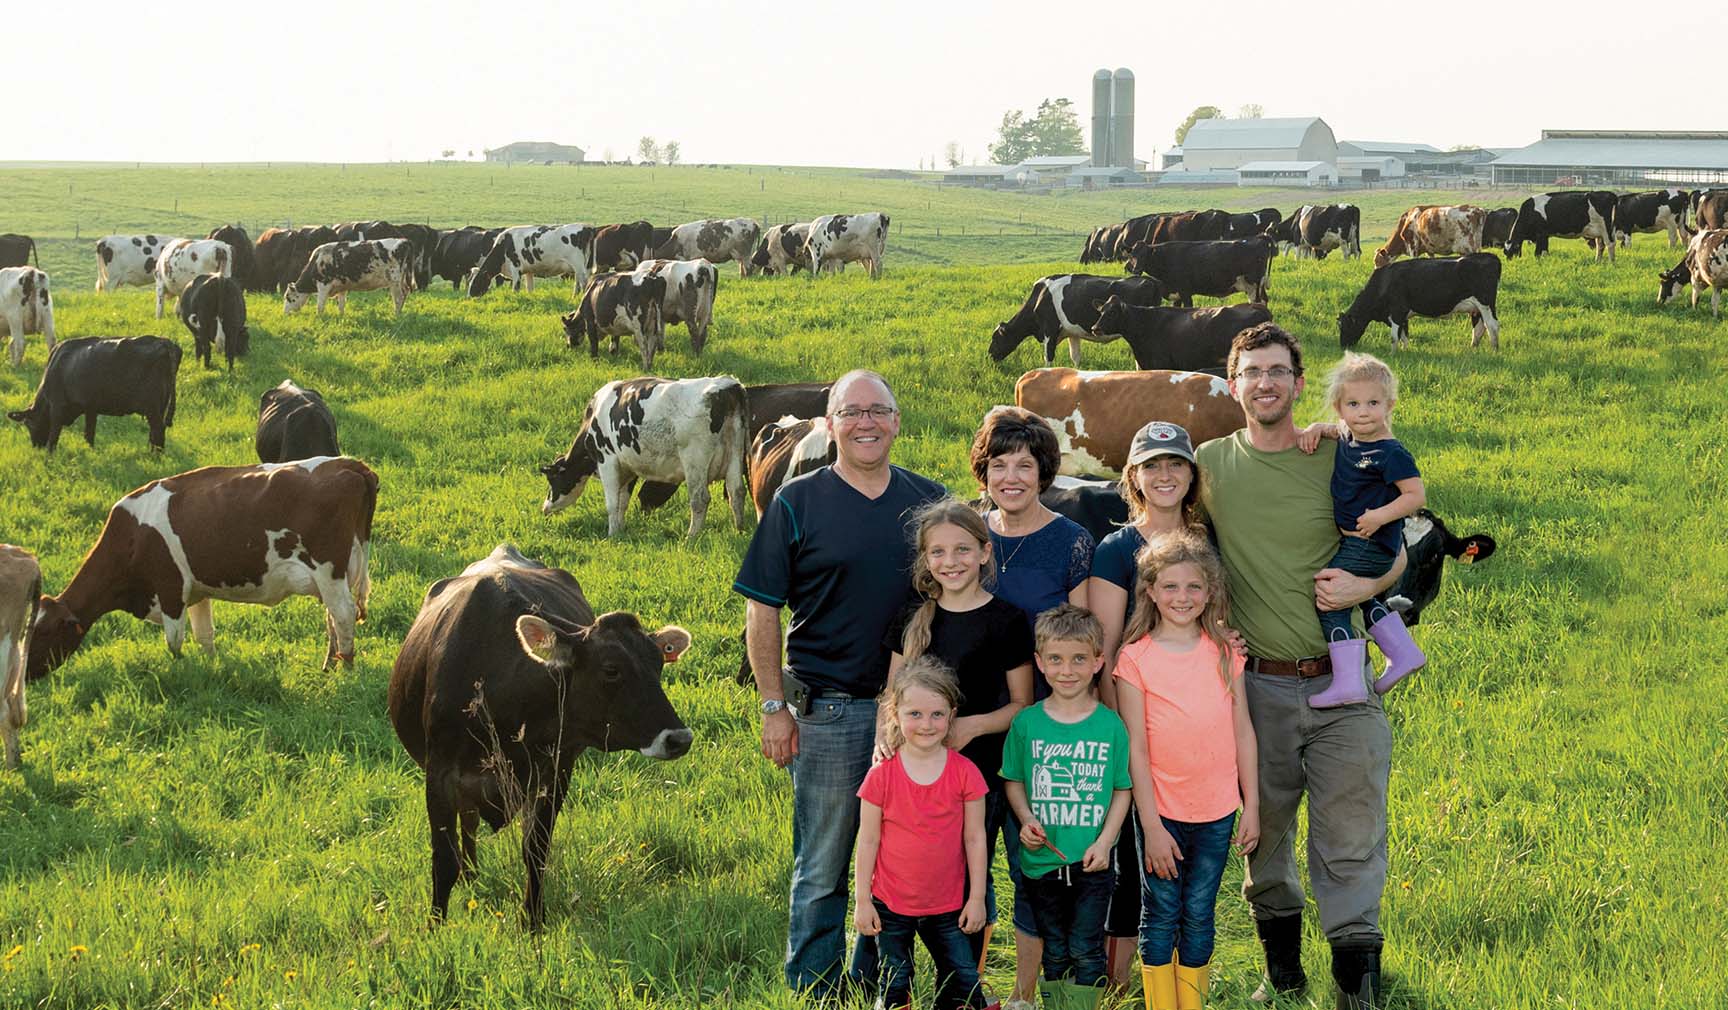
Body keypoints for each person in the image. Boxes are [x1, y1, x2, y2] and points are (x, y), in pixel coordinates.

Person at [1195, 324, 1407, 1009]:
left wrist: (1368, 587)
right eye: (1251, 370)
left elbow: (1402, 543)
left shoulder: (1343, 452)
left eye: (1278, 371)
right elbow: (1160, 535)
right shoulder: (1209, 465)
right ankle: (1283, 978)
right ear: (1233, 384)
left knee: (1351, 839)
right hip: (1257, 687)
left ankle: (1357, 993)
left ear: (1296, 381)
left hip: (1342, 681)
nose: (1264, 382)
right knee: (1267, 840)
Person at [734, 369, 947, 998]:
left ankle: (879, 978)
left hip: (910, 719)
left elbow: (953, 591)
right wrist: (774, 706)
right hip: (823, 709)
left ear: (897, 422)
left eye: (878, 411)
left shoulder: (927, 502)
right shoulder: (796, 503)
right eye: (851, 412)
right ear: (829, 424)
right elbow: (761, 608)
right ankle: (815, 986)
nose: (866, 423)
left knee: (895, 857)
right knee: (824, 862)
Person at [968, 405, 1095, 1008]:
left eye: (1025, 464)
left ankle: (1026, 993)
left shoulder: (1071, 542)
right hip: (964, 727)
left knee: (1032, 866)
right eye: (999, 465)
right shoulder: (965, 533)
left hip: (1043, 733)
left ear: (1045, 472)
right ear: (983, 472)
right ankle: (964, 988)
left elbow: (1085, 636)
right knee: (964, 863)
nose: (1011, 476)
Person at [880, 499, 1037, 981]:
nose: (951, 562)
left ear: (986, 553)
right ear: (926, 560)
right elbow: (891, 693)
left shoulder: (1007, 619)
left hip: (978, 773)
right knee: (911, 870)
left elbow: (1022, 706)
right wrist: (882, 746)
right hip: (915, 771)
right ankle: (895, 976)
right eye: (939, 552)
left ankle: (963, 982)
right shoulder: (912, 615)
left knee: (971, 873)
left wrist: (971, 726)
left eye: (963, 550)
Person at [1112, 531, 1259, 1010]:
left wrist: (1251, 807)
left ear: (1210, 591)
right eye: (1170, 587)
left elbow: (1243, 732)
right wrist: (1150, 825)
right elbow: (1135, 747)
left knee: (1199, 912)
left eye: (1194, 587)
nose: (1182, 597)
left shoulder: (1224, 652)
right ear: (1150, 591)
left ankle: (1190, 1004)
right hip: (1162, 811)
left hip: (1217, 810)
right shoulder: (1135, 659)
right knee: (1161, 913)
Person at [1084, 420, 1204, 989]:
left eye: (1175, 464)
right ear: (1133, 476)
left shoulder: (1208, 542)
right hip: (1136, 723)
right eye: (1151, 465)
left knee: (1193, 857)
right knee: (1134, 857)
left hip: (1196, 730)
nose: (1164, 475)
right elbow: (1106, 652)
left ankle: (1184, 974)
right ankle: (1121, 980)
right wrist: (1124, 737)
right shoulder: (1116, 548)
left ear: (1191, 474)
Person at [1000, 604, 1133, 1010]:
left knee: (1087, 948)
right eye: (1055, 659)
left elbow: (1122, 790)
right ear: (1039, 663)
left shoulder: (1110, 725)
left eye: (1079, 659)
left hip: (1091, 863)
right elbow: (1014, 780)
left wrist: (1106, 843)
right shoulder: (1027, 723)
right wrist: (1026, 820)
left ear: (1098, 661)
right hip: (1042, 862)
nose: (1067, 670)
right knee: (1055, 950)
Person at [854, 656, 991, 1010]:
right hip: (890, 904)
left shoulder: (966, 773)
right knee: (896, 981)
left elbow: (976, 839)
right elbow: (867, 840)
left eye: (936, 714)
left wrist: (976, 898)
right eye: (914, 714)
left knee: (962, 977)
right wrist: (862, 900)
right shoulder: (881, 776)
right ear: (895, 714)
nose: (926, 724)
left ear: (951, 715)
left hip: (948, 905)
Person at [1296, 352, 1428, 708]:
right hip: (1364, 540)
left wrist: (1379, 517)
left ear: (1390, 405)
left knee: (1331, 596)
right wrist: (1314, 429)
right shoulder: (1349, 437)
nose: (1363, 411)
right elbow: (1333, 430)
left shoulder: (1390, 452)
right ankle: (1403, 653)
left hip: (1371, 540)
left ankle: (1348, 681)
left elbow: (1415, 496)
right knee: (1363, 596)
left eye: (1373, 403)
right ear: (1340, 408)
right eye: (1353, 403)